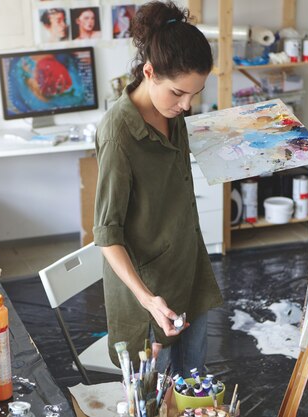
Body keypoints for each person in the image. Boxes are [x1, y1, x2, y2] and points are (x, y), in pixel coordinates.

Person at [93, 1, 222, 376]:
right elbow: (107, 235)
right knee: (155, 399)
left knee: (192, 389)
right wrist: (148, 300)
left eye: (194, 94)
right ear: (149, 72)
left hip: (189, 274)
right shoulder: (119, 133)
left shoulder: (172, 113)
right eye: (179, 93)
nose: (187, 105)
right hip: (149, 294)